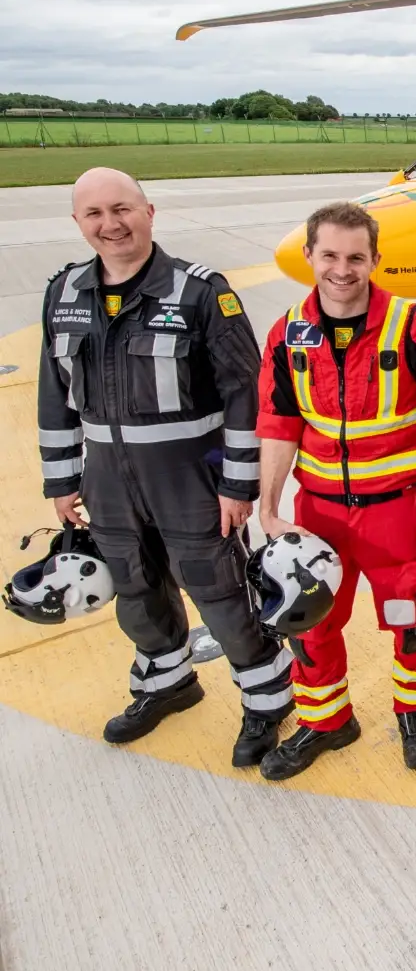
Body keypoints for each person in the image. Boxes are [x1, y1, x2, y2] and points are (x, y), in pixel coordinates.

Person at [36, 167, 292, 765]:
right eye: (94, 215)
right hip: (107, 478)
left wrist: (238, 483)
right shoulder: (65, 293)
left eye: (122, 209)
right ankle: (167, 684)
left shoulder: (200, 293)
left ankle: (267, 699)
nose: (110, 225)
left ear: (149, 212)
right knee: (134, 588)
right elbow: (55, 391)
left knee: (220, 592)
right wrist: (61, 477)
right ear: (78, 223)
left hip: (189, 476)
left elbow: (244, 394)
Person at [256, 202, 416, 779]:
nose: (343, 269)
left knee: (409, 620)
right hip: (316, 517)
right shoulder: (288, 332)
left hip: (397, 513)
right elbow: (277, 422)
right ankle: (327, 721)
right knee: (311, 621)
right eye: (331, 256)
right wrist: (268, 508)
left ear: (374, 260)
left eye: (356, 257)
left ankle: (415, 712)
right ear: (311, 256)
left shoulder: (410, 326)